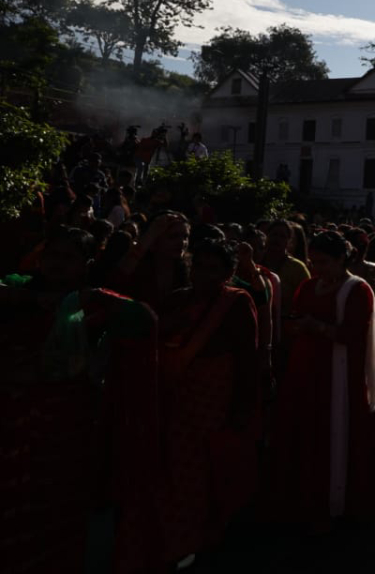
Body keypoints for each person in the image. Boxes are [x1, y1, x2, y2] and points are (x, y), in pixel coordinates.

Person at [0, 227, 159, 574]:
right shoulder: (15, 287)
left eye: (68, 257)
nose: (57, 263)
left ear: (85, 265)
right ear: (39, 259)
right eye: (52, 255)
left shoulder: (90, 304)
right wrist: (29, 300)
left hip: (63, 427)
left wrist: (94, 298)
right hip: (9, 420)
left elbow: (144, 320)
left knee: (54, 512)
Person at [156, 239, 258, 568]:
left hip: (215, 401)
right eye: (199, 267)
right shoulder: (176, 301)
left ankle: (202, 540)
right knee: (172, 470)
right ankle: (174, 540)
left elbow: (247, 360)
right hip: (175, 399)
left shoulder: (236, 304)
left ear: (229, 273)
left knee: (207, 472)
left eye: (214, 269)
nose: (204, 275)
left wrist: (242, 409)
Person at [273, 231, 375, 530]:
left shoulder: (357, 290)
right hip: (306, 369)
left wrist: (316, 327)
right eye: (314, 261)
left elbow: (354, 334)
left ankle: (335, 499)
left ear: (340, 259)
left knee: (334, 431)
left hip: (338, 374)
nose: (318, 268)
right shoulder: (308, 287)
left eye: (324, 262)